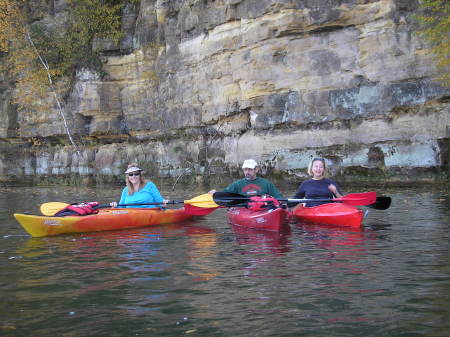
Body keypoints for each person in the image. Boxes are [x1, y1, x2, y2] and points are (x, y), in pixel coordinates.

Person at [209, 159, 283, 199]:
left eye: (250, 169)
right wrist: (216, 193)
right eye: (245, 169)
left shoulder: (266, 183)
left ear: (256, 170)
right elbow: (225, 193)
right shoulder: (237, 184)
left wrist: (282, 203)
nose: (247, 172)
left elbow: (278, 196)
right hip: (245, 209)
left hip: (262, 208)